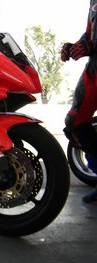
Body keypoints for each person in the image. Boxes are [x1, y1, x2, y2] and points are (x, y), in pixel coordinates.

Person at [61, 0, 97, 202]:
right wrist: (76, 46)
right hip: (94, 69)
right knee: (74, 123)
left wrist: (89, 45)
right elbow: (90, 33)